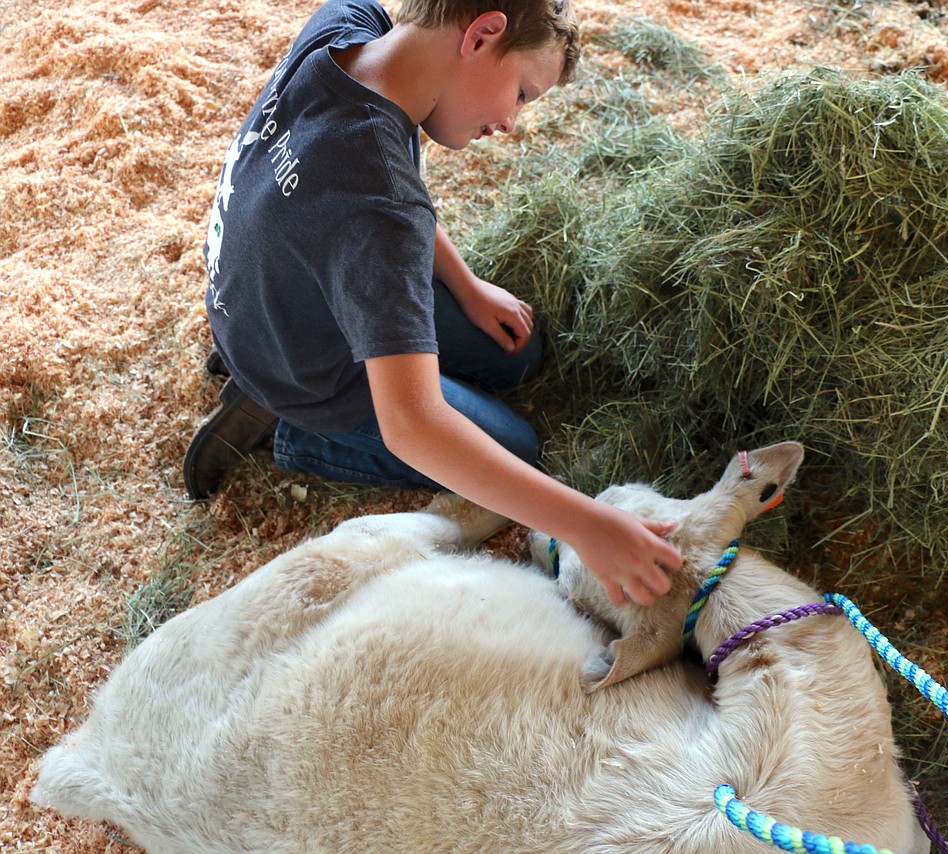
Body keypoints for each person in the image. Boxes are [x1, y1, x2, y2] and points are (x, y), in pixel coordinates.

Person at [183, 0, 682, 607]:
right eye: (522, 92)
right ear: (483, 34)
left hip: (272, 289)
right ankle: (278, 426)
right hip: (301, 368)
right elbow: (412, 427)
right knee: (513, 451)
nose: (511, 123)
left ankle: (276, 365)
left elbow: (386, 194)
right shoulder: (378, 212)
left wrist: (466, 286)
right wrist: (585, 525)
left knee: (518, 357)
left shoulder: (351, 24)